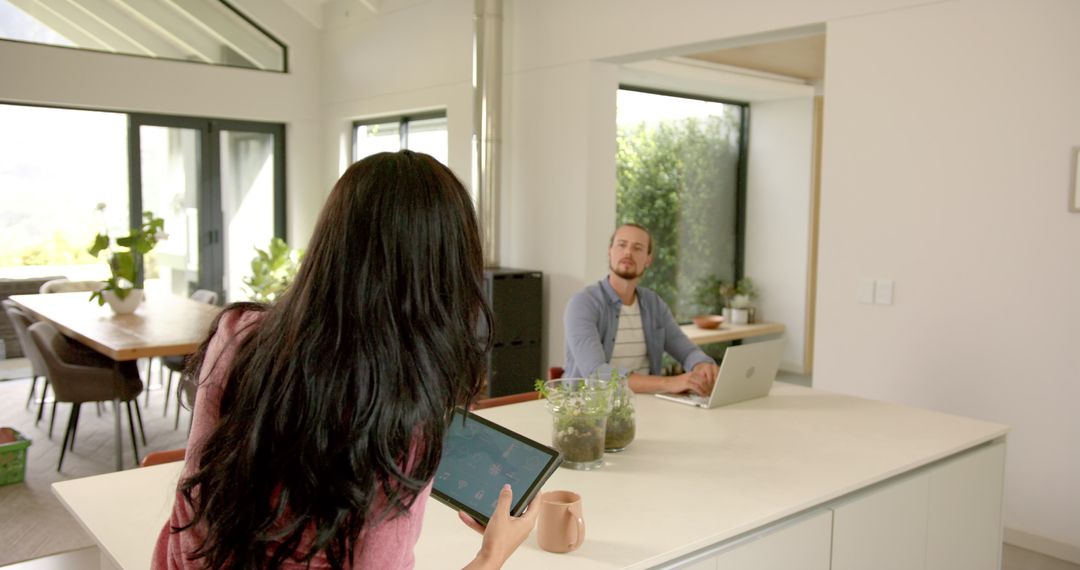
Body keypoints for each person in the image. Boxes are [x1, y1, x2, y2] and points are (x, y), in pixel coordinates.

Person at [153, 151, 539, 569]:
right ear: (444, 272)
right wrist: (493, 553)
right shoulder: (403, 409)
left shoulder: (238, 333)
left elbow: (193, 514)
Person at [564, 223, 720, 396]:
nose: (628, 252)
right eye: (622, 245)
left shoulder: (653, 304)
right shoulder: (583, 303)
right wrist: (670, 383)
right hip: (588, 408)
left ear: (648, 259)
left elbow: (687, 351)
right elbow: (596, 374)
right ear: (610, 251)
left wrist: (701, 364)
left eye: (637, 248)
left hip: (646, 406)